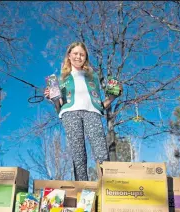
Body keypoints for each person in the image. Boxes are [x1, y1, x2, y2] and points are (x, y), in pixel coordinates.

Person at [44, 42, 122, 181]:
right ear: (69, 56)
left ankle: (108, 188)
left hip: (92, 114)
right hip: (70, 114)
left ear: (85, 57)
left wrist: (113, 96)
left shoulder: (94, 78)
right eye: (75, 53)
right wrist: (54, 98)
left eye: (82, 54)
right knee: (78, 154)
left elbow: (100, 105)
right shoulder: (62, 79)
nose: (78, 57)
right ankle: (83, 191)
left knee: (102, 152)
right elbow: (59, 107)